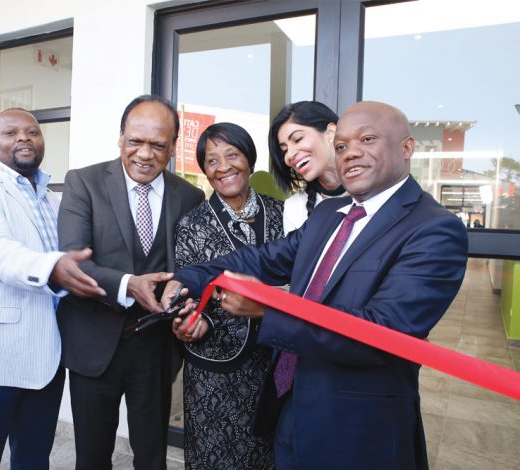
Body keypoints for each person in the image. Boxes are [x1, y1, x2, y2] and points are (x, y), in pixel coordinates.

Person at [166, 101, 468, 469]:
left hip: (354, 428)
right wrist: (186, 278)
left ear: (406, 148)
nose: (350, 153)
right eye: (341, 146)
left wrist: (268, 311)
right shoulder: (328, 214)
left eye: (367, 139)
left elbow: (381, 333)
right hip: (290, 408)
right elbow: (261, 259)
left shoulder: (434, 229)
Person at [0, 108, 105, 469]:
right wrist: (53, 268)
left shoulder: (53, 199)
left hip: (45, 361)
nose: (23, 138)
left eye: (32, 132)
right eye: (11, 133)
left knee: (33, 461)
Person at [56, 95, 204, 470]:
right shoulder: (83, 183)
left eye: (158, 145)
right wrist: (128, 284)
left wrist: (186, 297)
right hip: (93, 344)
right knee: (92, 458)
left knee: (152, 458)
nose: (145, 154)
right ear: (120, 137)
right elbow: (73, 262)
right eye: (135, 141)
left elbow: (192, 268)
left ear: (173, 146)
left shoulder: (190, 196)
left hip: (155, 347)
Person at [171, 122, 281, 469]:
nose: (223, 168)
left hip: (273, 362)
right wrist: (195, 321)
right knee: (215, 458)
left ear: (249, 159)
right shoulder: (192, 224)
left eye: (232, 155)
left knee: (268, 456)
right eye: (212, 161)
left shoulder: (281, 214)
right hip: (215, 371)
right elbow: (188, 294)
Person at [269, 101, 346, 233]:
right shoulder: (294, 207)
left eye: (298, 139)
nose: (290, 155)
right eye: (284, 150)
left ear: (331, 132)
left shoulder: (375, 191)